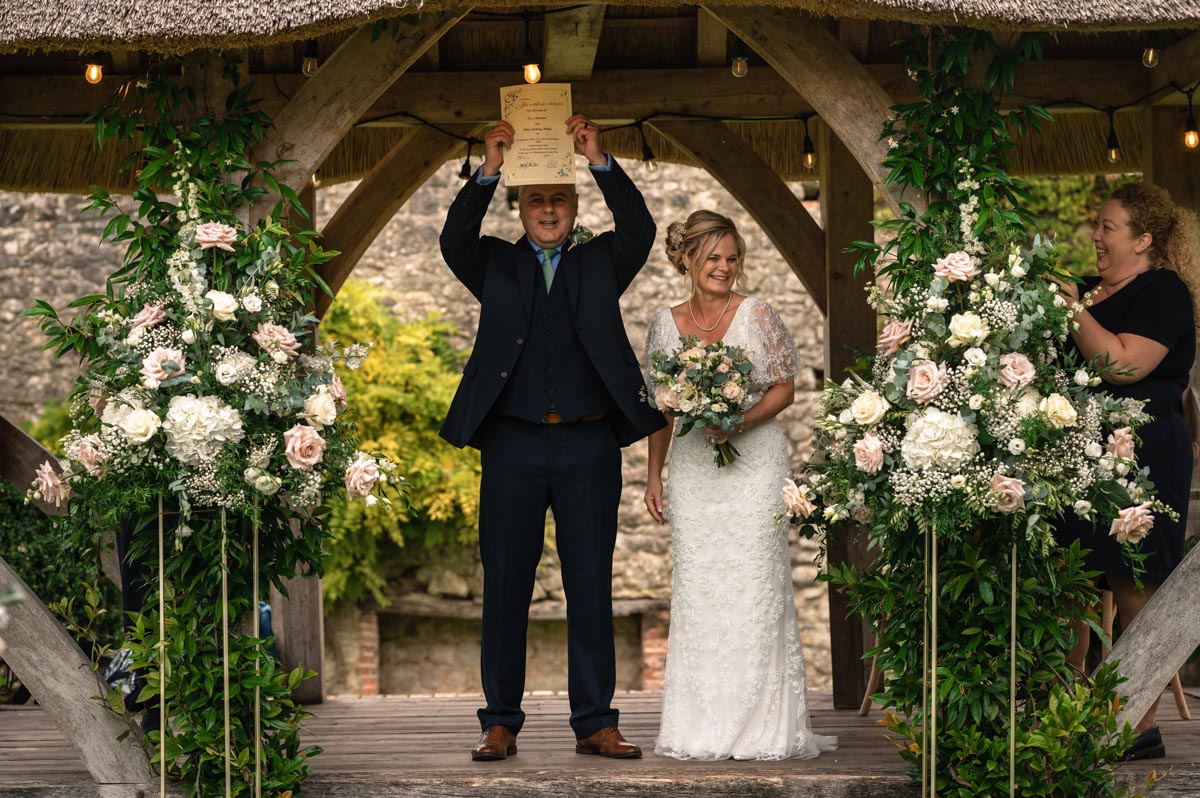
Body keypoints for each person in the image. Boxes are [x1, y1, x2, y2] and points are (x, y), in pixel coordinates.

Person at [439, 114, 665, 761]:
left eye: (558, 200)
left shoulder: (601, 264)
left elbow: (642, 231)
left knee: (591, 584)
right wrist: (487, 170)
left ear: (572, 207)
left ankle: (595, 720)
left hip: (588, 446)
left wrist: (599, 160)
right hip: (510, 445)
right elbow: (454, 239)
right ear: (521, 207)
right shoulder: (494, 265)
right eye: (536, 200)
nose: (547, 210)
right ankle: (500, 721)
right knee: (506, 581)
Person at [643, 210, 837, 760]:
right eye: (713, 258)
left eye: (732, 258)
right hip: (693, 468)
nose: (724, 268)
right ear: (687, 260)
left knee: (756, 584)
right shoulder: (664, 324)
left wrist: (739, 421)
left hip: (753, 465)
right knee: (702, 591)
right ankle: (699, 725)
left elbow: (785, 388)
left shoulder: (759, 314)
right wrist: (653, 474)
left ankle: (763, 726)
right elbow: (661, 409)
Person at [1059, 182, 1199, 760]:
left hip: (1142, 449)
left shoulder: (1163, 291)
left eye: (1108, 226)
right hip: (1078, 453)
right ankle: (1065, 712)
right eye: (1096, 224)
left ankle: (1137, 724)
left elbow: (1121, 364)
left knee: (1133, 579)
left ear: (1143, 239)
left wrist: (1069, 307)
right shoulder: (1089, 289)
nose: (1095, 235)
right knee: (1069, 582)